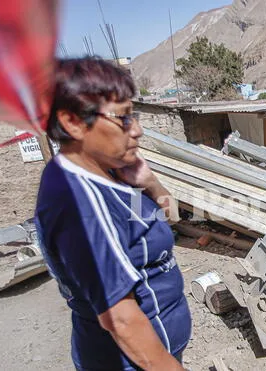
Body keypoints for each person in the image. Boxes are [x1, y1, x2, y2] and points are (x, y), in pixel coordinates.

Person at [35, 57, 190, 370]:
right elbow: (121, 319)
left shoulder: (114, 173)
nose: (138, 131)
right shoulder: (81, 205)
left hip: (159, 352)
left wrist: (151, 183)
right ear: (73, 123)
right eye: (124, 119)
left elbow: (171, 217)